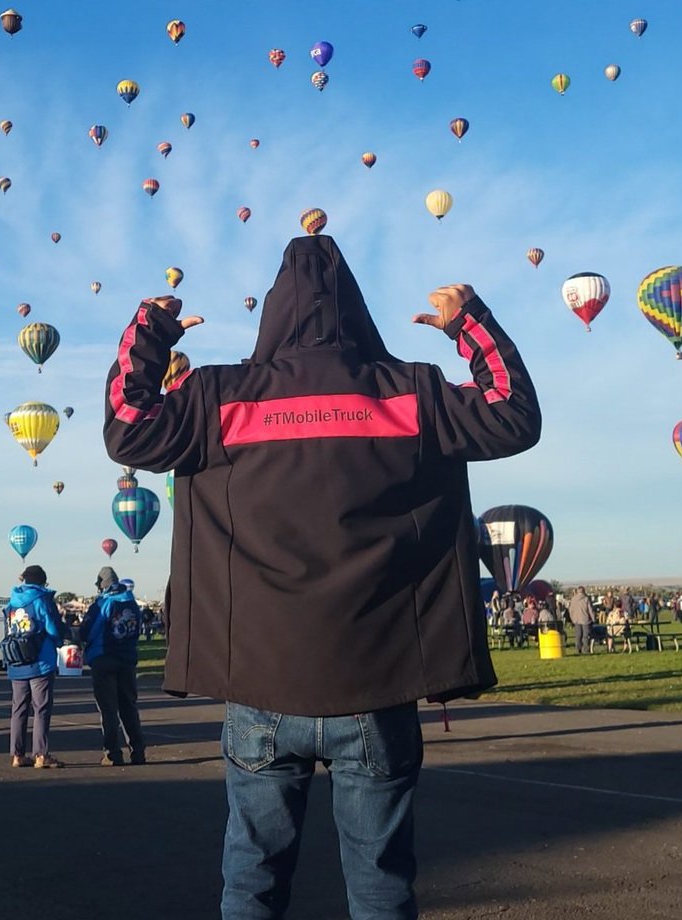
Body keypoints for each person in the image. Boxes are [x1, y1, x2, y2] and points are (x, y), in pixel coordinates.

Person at [102, 234, 541, 919]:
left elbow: (127, 429)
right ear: (357, 310)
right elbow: (514, 415)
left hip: (259, 686)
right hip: (379, 683)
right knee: (380, 886)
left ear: (273, 311)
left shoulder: (219, 395)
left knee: (252, 879)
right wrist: (470, 323)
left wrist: (151, 331)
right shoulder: (412, 391)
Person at [82, 567, 146, 766]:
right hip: (127, 658)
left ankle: (112, 753)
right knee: (129, 706)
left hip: (103, 657)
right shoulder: (132, 603)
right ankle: (138, 751)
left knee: (108, 709)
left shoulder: (102, 604)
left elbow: (87, 631)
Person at [5, 565, 65, 769]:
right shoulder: (41, 600)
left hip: (17, 661)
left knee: (18, 709)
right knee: (41, 709)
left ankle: (17, 754)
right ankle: (40, 754)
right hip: (40, 661)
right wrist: (58, 642)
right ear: (42, 581)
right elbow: (53, 628)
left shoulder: (12, 602)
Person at [567, 587, 594, 655]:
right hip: (585, 619)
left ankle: (578, 649)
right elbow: (590, 610)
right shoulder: (586, 599)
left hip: (576, 620)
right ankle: (586, 650)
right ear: (583, 591)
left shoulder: (573, 599)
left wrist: (572, 618)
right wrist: (593, 618)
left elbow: (570, 610)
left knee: (578, 635)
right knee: (586, 636)